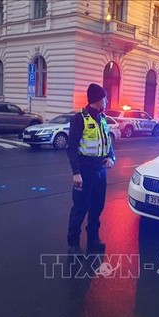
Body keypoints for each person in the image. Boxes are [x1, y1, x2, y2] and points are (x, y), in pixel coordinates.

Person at [67, 83, 116, 254]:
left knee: (97, 207)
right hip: (85, 170)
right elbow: (71, 147)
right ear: (97, 99)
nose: (107, 101)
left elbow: (108, 144)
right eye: (105, 98)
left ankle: (93, 238)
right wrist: (76, 173)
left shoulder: (102, 118)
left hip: (100, 171)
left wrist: (111, 157)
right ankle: (73, 242)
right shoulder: (80, 118)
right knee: (80, 207)